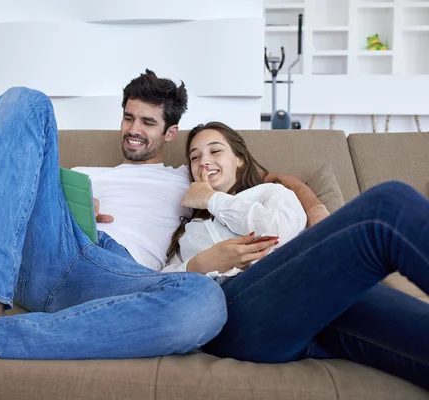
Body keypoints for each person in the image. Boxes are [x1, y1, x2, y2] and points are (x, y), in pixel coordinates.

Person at [0, 70, 228, 376]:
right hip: (47, 247)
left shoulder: (185, 178)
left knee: (203, 299)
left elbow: (271, 185)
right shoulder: (82, 174)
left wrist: (279, 185)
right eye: (128, 117)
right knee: (25, 100)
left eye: (148, 122)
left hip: (112, 276)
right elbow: (17, 199)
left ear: (170, 133)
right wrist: (72, 206)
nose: (133, 129)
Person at [166, 121, 429, 390]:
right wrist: (200, 264)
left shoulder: (272, 193)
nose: (204, 161)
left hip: (306, 306)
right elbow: (159, 283)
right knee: (387, 205)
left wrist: (212, 199)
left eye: (215, 151)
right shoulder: (188, 232)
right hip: (238, 316)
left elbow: (280, 230)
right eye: (195, 157)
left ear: (240, 159)